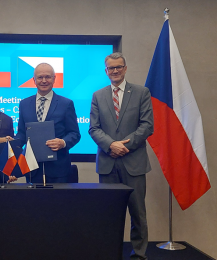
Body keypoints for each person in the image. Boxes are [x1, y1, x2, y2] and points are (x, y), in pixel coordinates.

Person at [89, 52, 153, 260]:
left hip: (134, 162)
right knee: (108, 214)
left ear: (125, 68)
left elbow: (147, 125)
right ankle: (108, 253)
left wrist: (125, 145)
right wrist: (111, 145)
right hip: (108, 163)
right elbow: (94, 128)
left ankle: (139, 254)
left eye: (119, 67)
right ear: (106, 71)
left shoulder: (142, 92)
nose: (115, 71)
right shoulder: (98, 95)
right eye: (111, 68)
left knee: (138, 213)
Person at [16, 63, 80, 183]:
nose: (44, 80)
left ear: (54, 79)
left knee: (57, 202)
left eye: (48, 77)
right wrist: (12, 145)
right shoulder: (24, 104)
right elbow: (21, 133)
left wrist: (63, 142)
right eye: (40, 77)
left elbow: (75, 134)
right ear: (34, 80)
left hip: (58, 169)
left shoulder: (66, 104)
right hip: (32, 169)